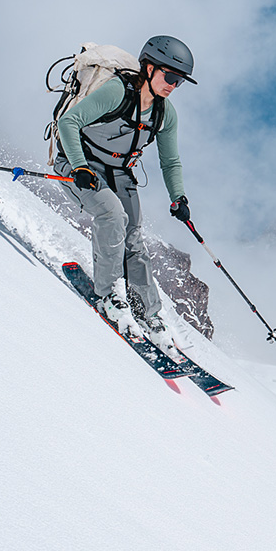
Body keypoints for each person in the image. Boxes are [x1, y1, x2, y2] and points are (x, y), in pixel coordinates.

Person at [52, 35, 196, 351]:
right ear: (148, 67)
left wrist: (179, 197)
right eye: (170, 76)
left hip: (119, 173)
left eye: (179, 81)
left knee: (134, 239)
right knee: (111, 215)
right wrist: (79, 166)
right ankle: (108, 296)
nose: (173, 85)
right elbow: (68, 122)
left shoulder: (164, 114)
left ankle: (150, 316)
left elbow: (170, 161)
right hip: (79, 164)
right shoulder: (118, 91)